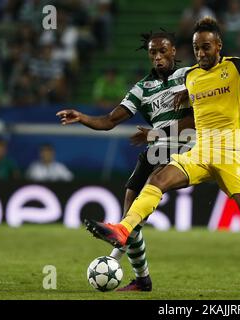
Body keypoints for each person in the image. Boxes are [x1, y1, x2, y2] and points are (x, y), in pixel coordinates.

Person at [84, 16, 240, 294]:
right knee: (158, 179)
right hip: (201, 151)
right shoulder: (192, 76)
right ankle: (123, 230)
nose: (201, 53)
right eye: (196, 48)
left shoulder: (236, 66)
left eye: (206, 47)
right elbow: (192, 109)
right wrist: (170, 115)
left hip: (232, 152)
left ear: (218, 45)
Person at [57, 31, 195, 292]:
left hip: (184, 146)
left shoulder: (190, 76)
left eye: (163, 51)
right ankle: (142, 279)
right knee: (129, 209)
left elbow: (197, 118)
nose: (158, 56)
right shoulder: (142, 88)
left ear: (174, 51)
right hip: (157, 149)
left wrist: (189, 96)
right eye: (153, 52)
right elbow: (109, 120)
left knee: (133, 216)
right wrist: (82, 117)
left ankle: (120, 257)